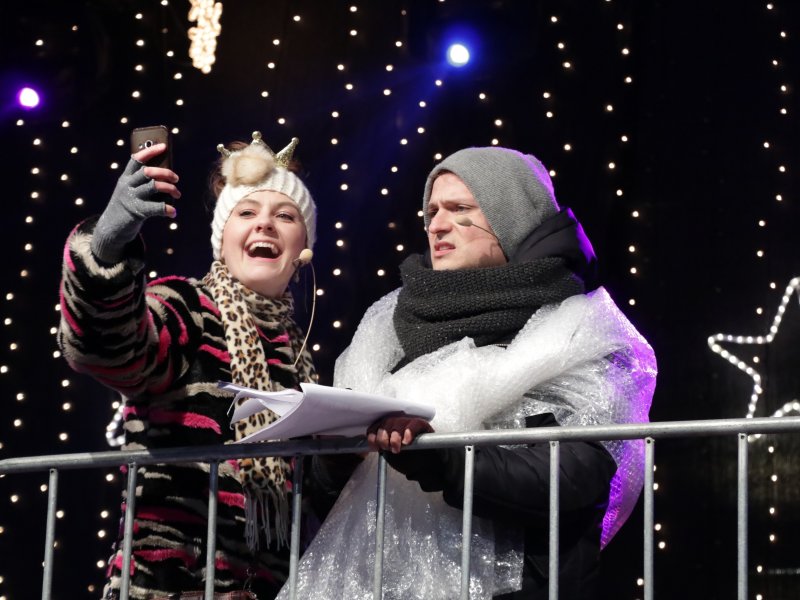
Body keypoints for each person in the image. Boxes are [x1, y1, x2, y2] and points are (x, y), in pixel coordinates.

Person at [277, 146, 657, 599]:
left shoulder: (576, 329)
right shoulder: (387, 330)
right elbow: (335, 503)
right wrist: (337, 457)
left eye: (460, 210)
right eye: (432, 211)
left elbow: (576, 475)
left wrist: (442, 457)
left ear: (512, 217)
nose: (437, 225)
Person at [58, 132, 334, 599]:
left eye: (285, 216)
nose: (265, 225)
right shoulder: (189, 306)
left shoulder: (298, 353)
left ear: (303, 247)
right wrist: (105, 248)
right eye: (246, 213)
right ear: (222, 239)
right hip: (170, 586)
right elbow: (108, 350)